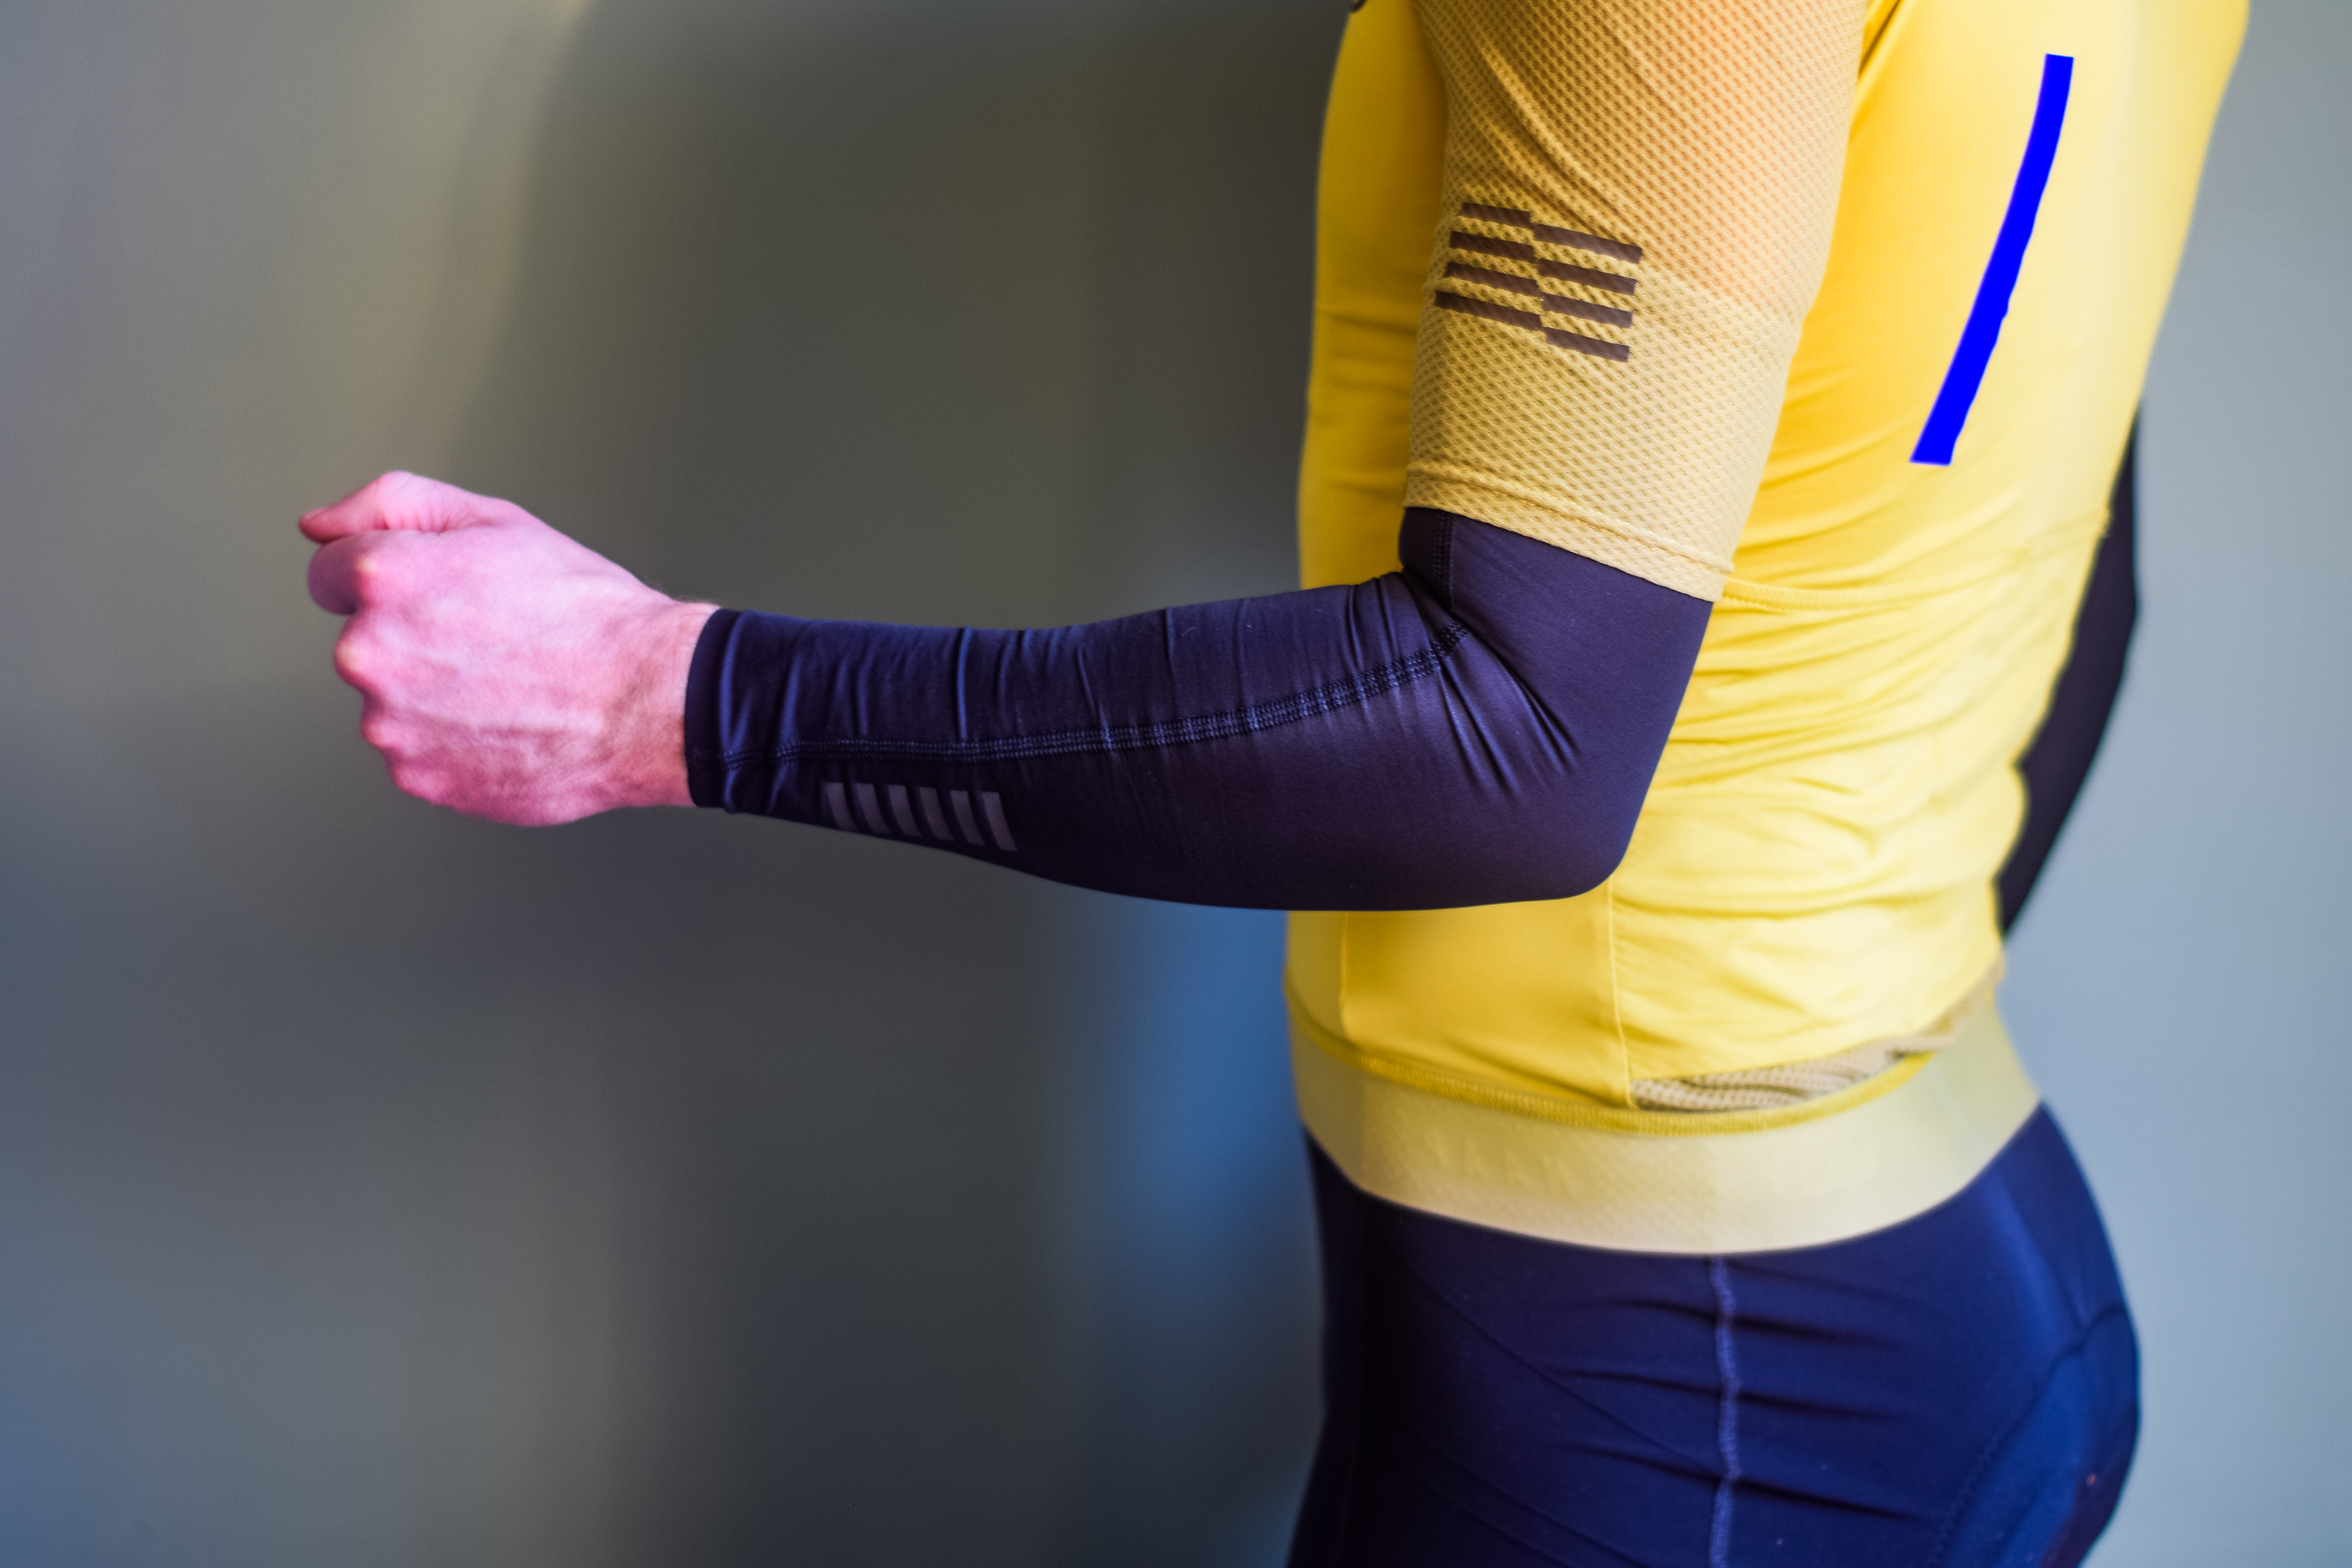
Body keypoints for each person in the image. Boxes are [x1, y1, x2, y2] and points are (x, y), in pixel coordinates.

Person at [301, 0, 2244, 1559]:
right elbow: (2080, 576)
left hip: (1676, 1391)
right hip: (1967, 1258)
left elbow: (1514, 742)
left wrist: (664, 694)